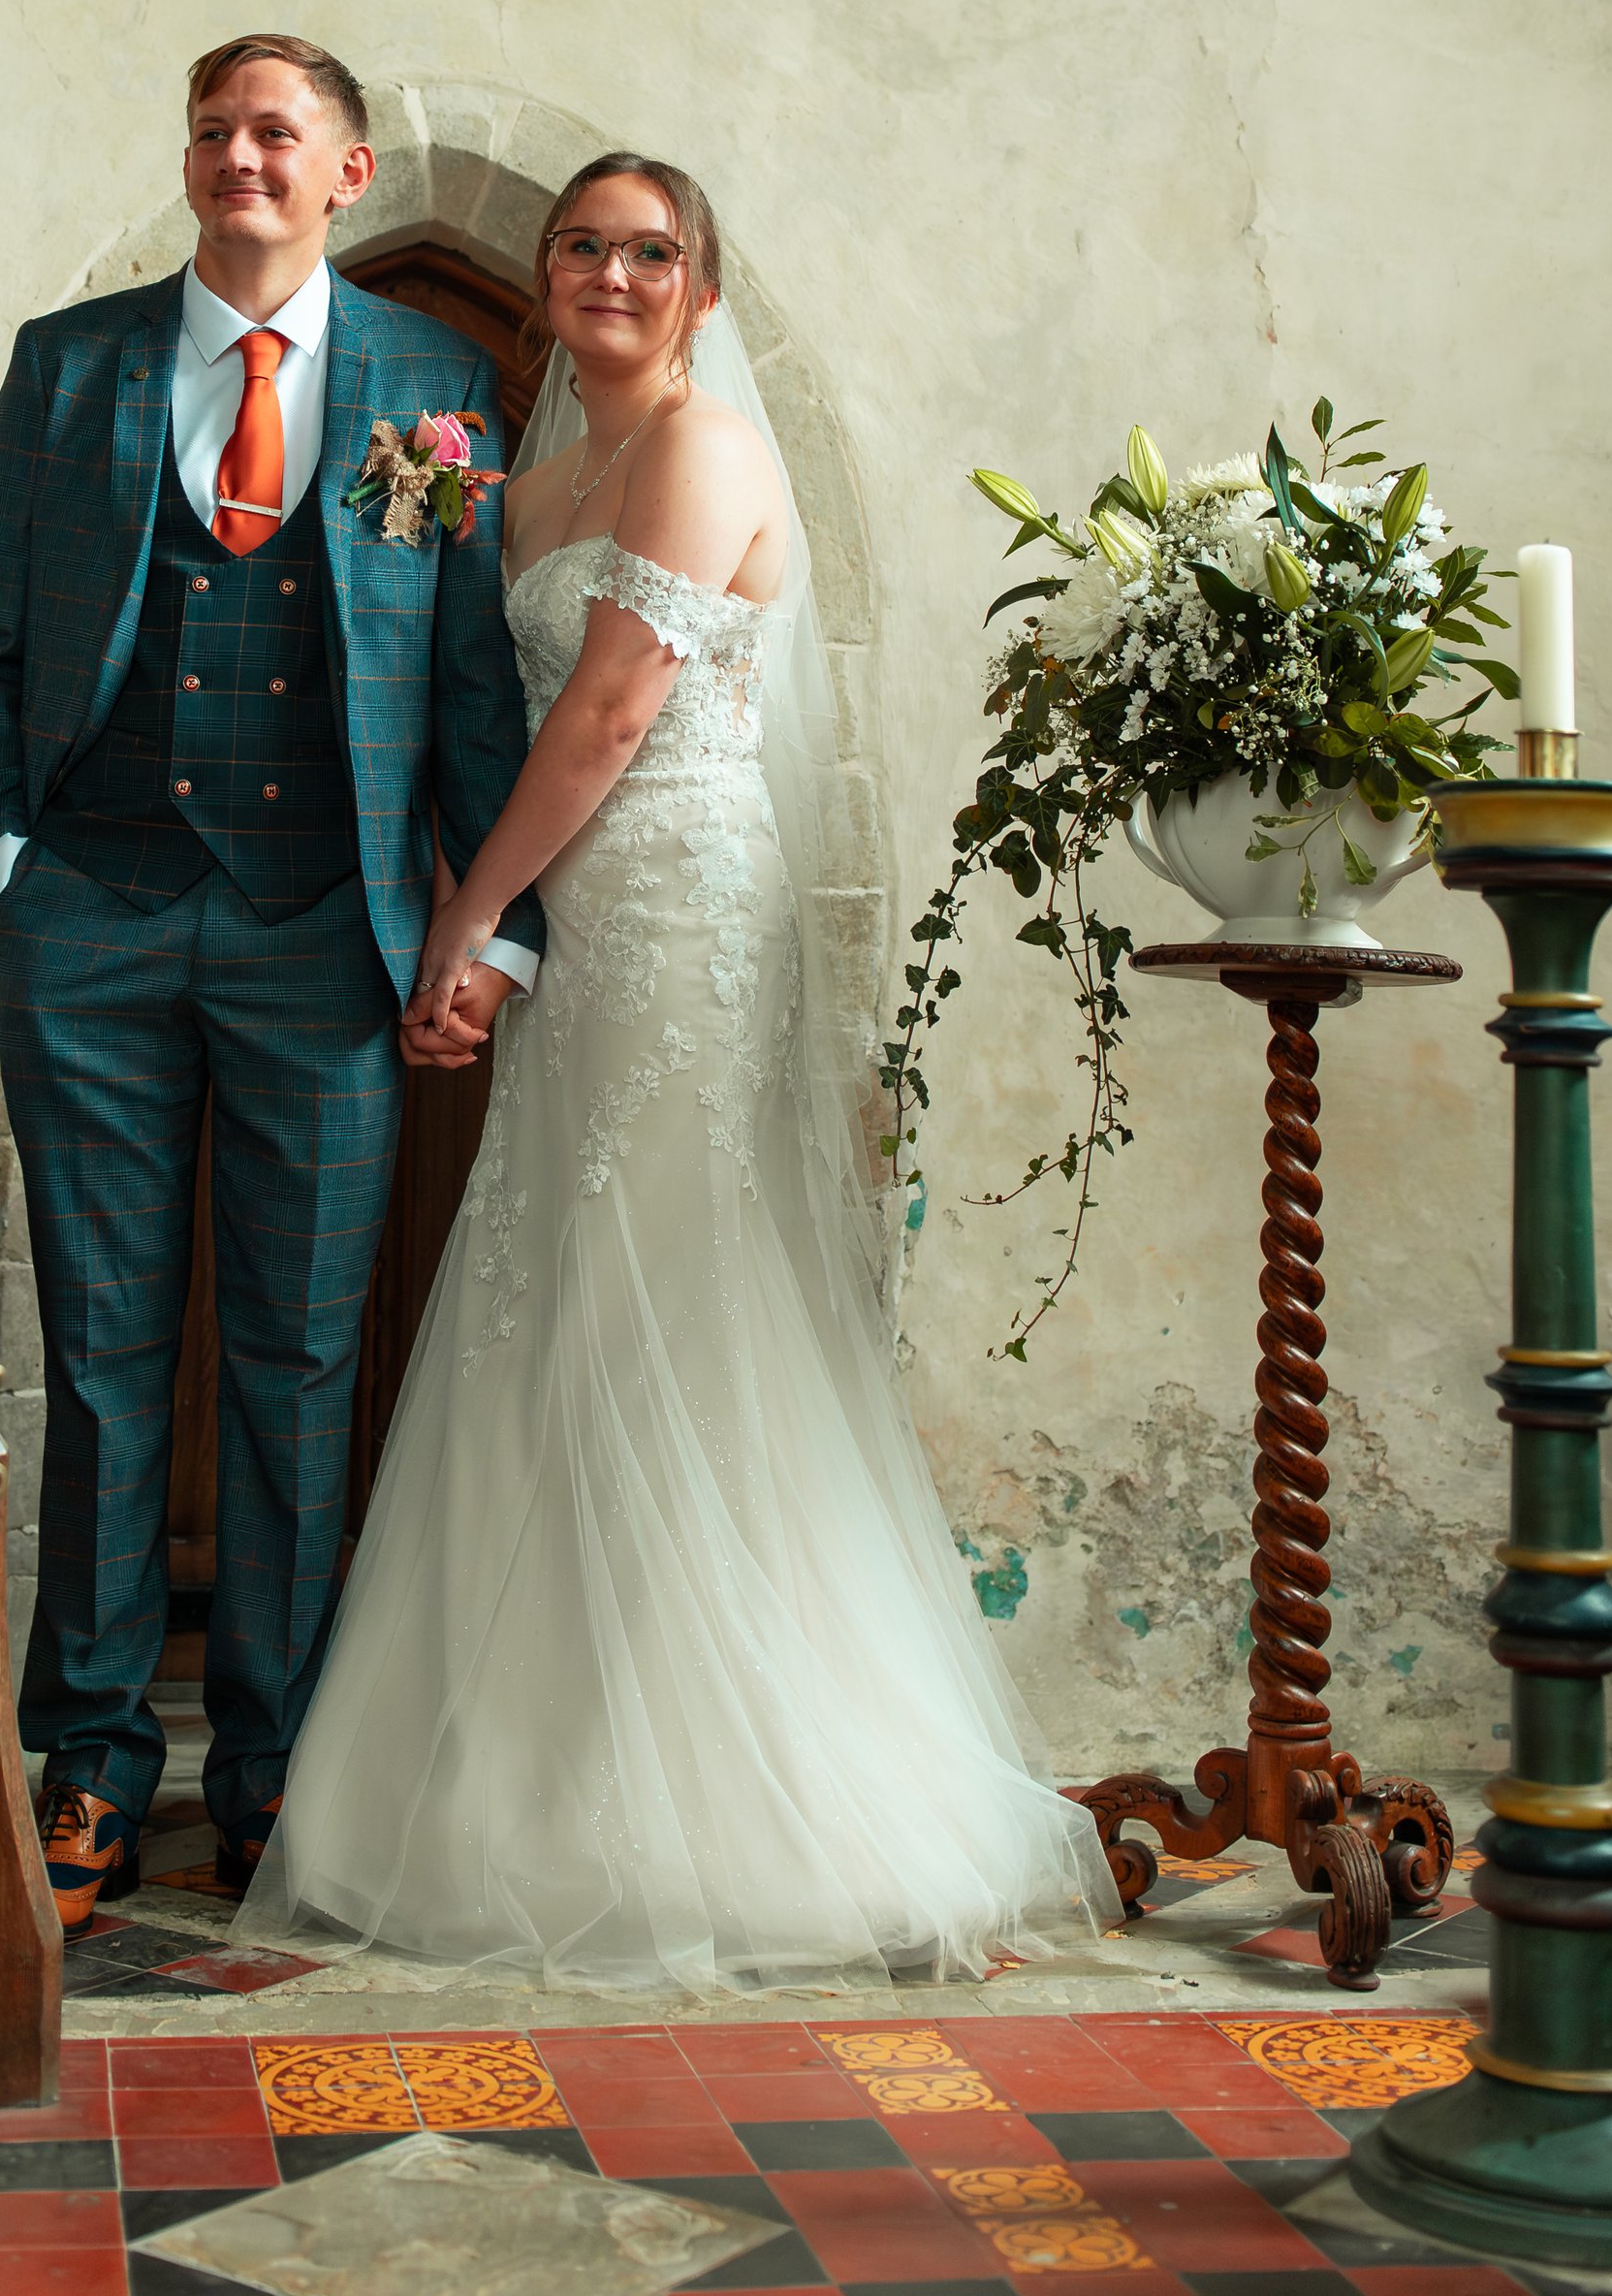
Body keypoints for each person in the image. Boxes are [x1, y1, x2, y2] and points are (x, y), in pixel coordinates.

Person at [236, 150, 1116, 1993]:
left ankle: (738, 1789)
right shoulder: (525, 477)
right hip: (578, 919)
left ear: (702, 289)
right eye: (583, 245)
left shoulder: (703, 451)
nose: (613, 273)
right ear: (545, 274)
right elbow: (462, 706)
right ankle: (535, 1769)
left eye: (653, 251)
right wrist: (480, 913)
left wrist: (469, 918)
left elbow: (615, 707)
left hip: (679, 913)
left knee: (666, 1306)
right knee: (551, 1296)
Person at [0, 34, 542, 1930]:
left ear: (346, 173)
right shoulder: (70, 364)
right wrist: (9, 863)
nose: (235, 157)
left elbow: (455, 683)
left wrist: (489, 928)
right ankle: (92, 1769)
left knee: (292, 1362)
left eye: (274, 132)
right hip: (92, 915)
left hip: (320, 933)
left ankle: (275, 1774)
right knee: (103, 1361)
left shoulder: (434, 389)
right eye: (210, 131)